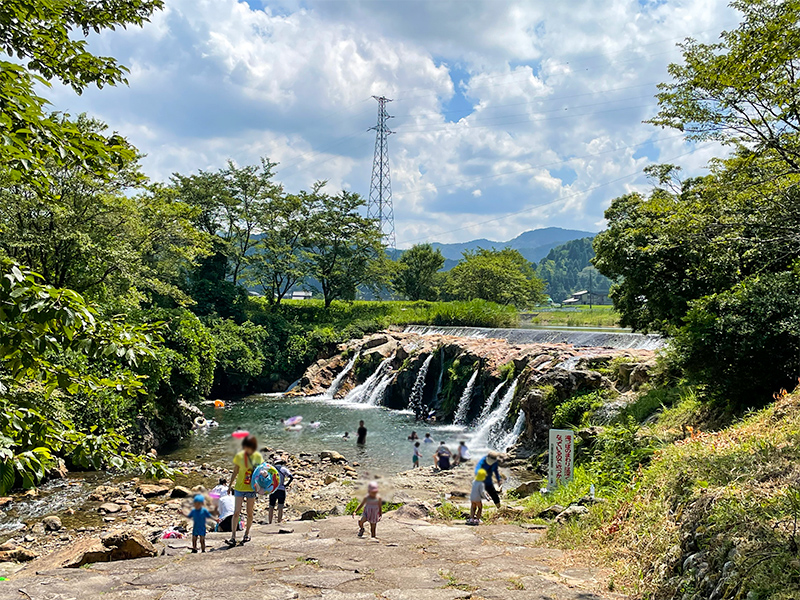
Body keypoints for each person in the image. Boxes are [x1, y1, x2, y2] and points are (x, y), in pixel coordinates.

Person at [225, 434, 262, 547]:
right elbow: (235, 471)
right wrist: (230, 485)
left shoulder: (257, 457)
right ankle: (233, 537)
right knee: (236, 512)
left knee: (249, 513)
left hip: (251, 488)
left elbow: (260, 473)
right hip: (239, 488)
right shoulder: (239, 456)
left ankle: (246, 534)